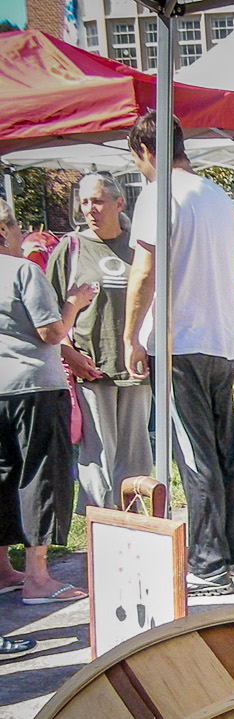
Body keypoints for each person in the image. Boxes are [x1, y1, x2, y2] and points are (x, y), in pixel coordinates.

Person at [121, 111, 234, 595]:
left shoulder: (157, 194)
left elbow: (144, 272)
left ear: (144, 151)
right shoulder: (216, 195)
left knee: (196, 458)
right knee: (224, 457)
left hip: (180, 342)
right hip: (221, 339)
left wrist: (130, 335)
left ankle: (208, 563)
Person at [0, 197, 93, 606]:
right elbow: (51, 333)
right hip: (34, 386)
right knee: (41, 475)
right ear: (4, 230)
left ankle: (3, 569)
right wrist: (74, 304)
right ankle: (38, 576)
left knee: (2, 477)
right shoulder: (23, 270)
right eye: (18, 226)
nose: (23, 234)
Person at [46, 173, 150, 512]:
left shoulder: (139, 246)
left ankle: (134, 528)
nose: (90, 209)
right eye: (85, 202)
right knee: (97, 461)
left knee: (136, 459)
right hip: (91, 369)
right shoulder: (70, 248)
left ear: (119, 204)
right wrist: (69, 354)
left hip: (135, 371)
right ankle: (99, 531)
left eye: (98, 201)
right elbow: (45, 316)